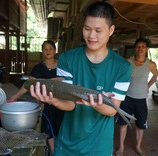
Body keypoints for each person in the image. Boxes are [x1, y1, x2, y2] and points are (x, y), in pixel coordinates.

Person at [29, 2, 131, 156]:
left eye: (98, 30)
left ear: (111, 30)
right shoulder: (68, 59)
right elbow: (70, 104)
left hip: (99, 148)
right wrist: (52, 100)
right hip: (67, 144)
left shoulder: (122, 67)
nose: (91, 36)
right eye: (87, 29)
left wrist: (96, 104)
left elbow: (112, 110)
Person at [10, 40, 64, 155]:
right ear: (42, 52)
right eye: (45, 49)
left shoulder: (62, 65)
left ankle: (61, 149)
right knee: (47, 125)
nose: (47, 51)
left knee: (62, 125)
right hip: (46, 101)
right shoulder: (38, 68)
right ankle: (53, 151)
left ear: (55, 51)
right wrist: (17, 95)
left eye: (50, 48)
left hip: (62, 101)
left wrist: (41, 81)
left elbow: (63, 80)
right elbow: (29, 84)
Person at [115, 38, 158, 156]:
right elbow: (118, 73)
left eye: (143, 46)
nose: (140, 49)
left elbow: (156, 75)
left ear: (147, 49)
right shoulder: (127, 62)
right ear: (135, 48)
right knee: (123, 123)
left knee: (141, 126)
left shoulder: (151, 64)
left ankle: (138, 147)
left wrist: (147, 86)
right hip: (127, 98)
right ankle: (121, 148)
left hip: (142, 99)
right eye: (138, 46)